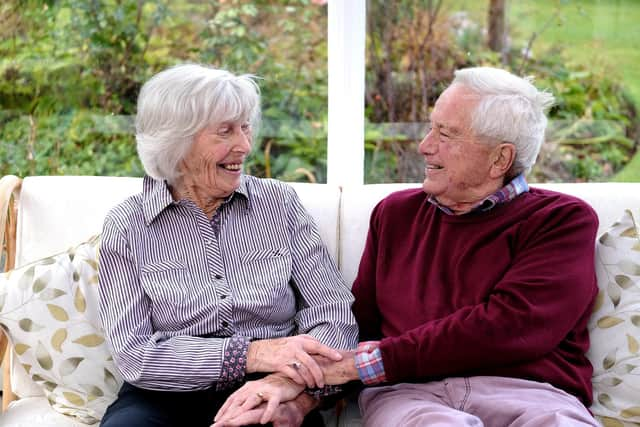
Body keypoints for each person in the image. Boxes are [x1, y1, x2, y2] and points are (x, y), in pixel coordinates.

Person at [215, 66, 601, 426]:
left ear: (500, 158)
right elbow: (356, 328)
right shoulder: (396, 215)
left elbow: (510, 325)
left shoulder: (562, 220)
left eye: (445, 135)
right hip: (410, 395)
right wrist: (299, 399)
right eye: (430, 129)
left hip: (531, 395)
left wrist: (363, 364)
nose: (424, 146)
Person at [98, 63, 358, 427]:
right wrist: (252, 354)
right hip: (164, 395)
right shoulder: (128, 225)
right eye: (226, 132)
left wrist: (286, 386)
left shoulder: (279, 205)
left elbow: (333, 314)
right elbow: (136, 355)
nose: (245, 145)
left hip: (269, 388)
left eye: (245, 126)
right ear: (178, 142)